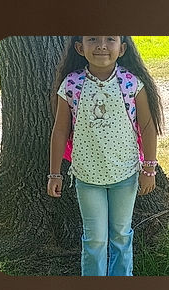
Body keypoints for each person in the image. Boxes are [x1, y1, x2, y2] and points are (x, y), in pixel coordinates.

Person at [47, 36, 163, 276]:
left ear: (122, 49)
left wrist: (149, 169)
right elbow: (59, 131)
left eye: (110, 39)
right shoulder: (71, 85)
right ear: (80, 48)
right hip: (87, 178)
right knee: (95, 240)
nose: (101, 45)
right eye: (92, 39)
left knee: (121, 235)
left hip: (126, 175)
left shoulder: (132, 84)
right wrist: (54, 173)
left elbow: (148, 126)